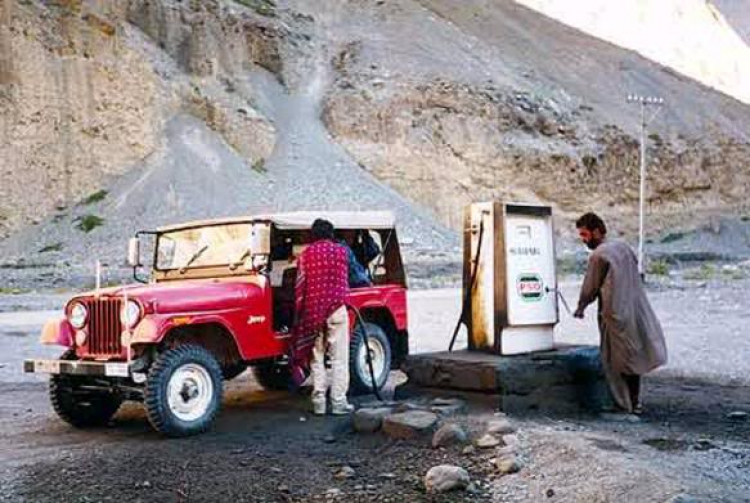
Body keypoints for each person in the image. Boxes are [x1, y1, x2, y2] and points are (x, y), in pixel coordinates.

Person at [574, 212, 667, 415]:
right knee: (632, 359)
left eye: (585, 234)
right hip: (634, 311)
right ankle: (635, 403)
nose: (583, 240)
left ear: (597, 231)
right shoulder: (623, 247)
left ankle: (623, 406)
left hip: (614, 315)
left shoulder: (599, 256)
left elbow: (590, 287)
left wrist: (581, 307)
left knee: (613, 362)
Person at [291, 218, 354, 416]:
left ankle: (318, 403)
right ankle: (338, 403)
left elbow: (300, 287)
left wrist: (299, 315)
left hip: (313, 312)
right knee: (339, 359)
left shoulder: (306, 255)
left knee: (316, 359)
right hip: (336, 310)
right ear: (331, 234)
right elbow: (351, 277)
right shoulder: (342, 252)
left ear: (313, 235)